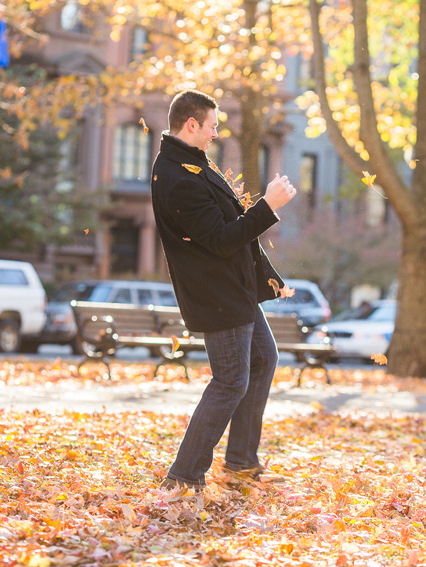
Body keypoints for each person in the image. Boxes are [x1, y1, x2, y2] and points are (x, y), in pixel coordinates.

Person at [151, 89, 296, 489]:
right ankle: (182, 476)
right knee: (230, 380)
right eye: (212, 126)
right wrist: (268, 207)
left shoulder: (192, 163)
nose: (216, 133)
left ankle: (240, 463)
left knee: (263, 359)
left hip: (235, 289)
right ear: (192, 124)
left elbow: (226, 228)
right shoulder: (178, 177)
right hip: (217, 295)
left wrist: (267, 275)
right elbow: (220, 239)